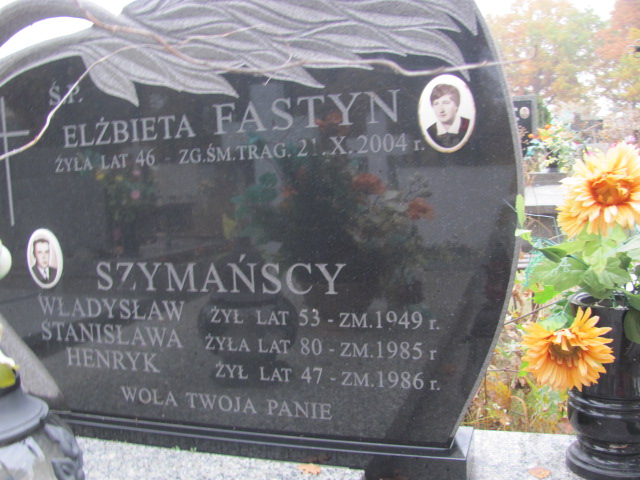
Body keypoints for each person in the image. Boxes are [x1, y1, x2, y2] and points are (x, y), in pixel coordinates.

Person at [426, 84, 470, 149]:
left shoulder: (468, 126)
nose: (441, 110)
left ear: (456, 105)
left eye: (446, 103)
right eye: (436, 104)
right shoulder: (429, 132)